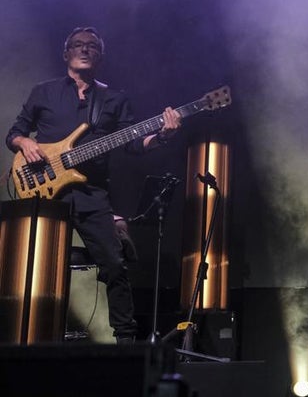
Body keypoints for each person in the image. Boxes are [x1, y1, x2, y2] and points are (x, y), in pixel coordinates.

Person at [5, 26, 182, 343]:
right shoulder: (43, 92)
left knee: (115, 266)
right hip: (42, 190)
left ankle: (126, 341)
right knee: (30, 267)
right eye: (77, 45)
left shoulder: (113, 98)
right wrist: (25, 144)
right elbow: (14, 134)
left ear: (100, 56)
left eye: (91, 46)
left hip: (92, 195)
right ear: (66, 54)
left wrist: (163, 135)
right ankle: (23, 335)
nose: (84, 49)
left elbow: (132, 143)